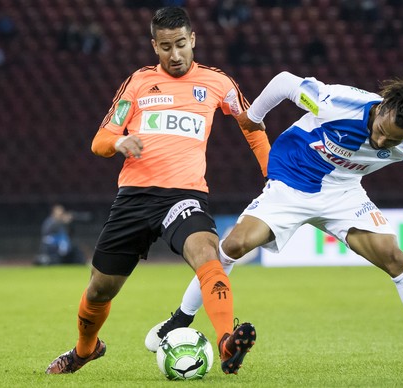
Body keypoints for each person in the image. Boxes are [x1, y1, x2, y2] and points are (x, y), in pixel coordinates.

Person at [145, 71, 403, 372]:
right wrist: (254, 118)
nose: (380, 142)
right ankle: (177, 321)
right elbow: (283, 82)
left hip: (344, 194)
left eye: (391, 141)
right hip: (291, 184)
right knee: (234, 246)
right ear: (381, 108)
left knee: (394, 257)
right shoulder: (336, 101)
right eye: (380, 130)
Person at [45, 6, 270, 376]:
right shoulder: (137, 83)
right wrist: (118, 145)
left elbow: (251, 123)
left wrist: (270, 169)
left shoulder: (217, 82)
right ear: (154, 46)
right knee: (99, 290)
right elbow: (100, 140)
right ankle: (86, 349)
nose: (175, 54)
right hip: (134, 197)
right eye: (165, 47)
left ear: (193, 40)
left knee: (207, 253)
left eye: (181, 44)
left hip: (185, 194)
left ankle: (227, 340)